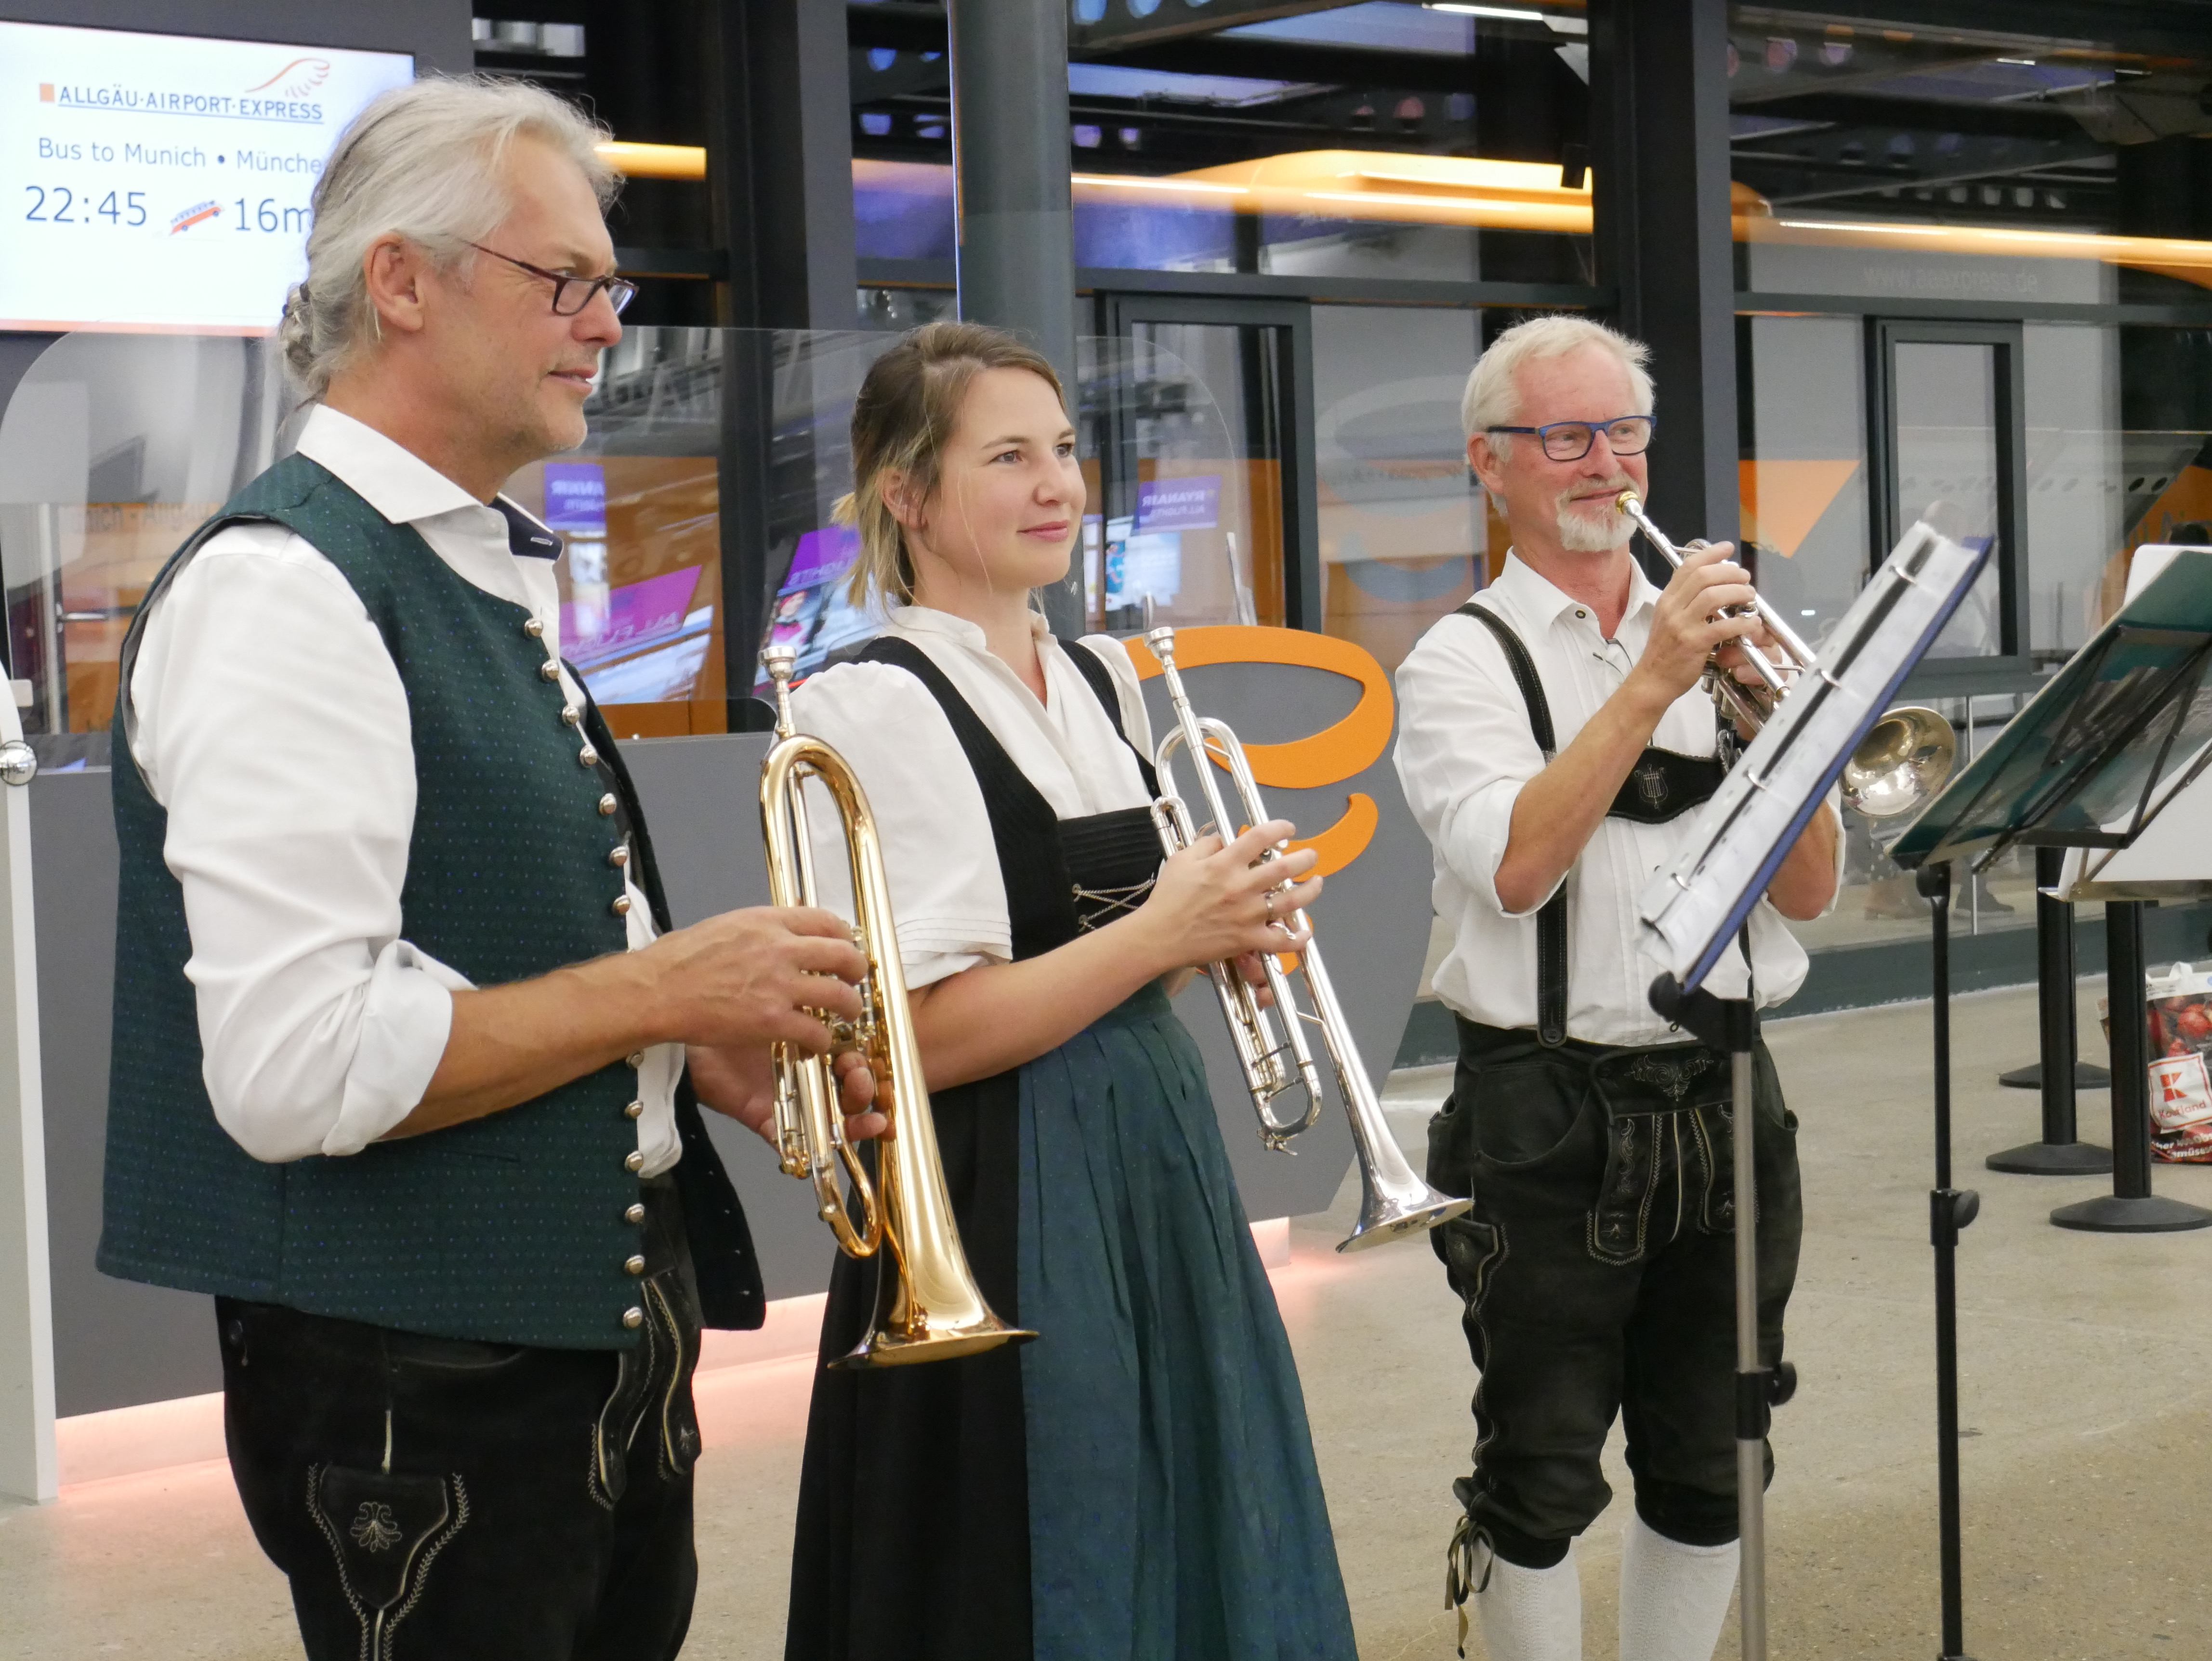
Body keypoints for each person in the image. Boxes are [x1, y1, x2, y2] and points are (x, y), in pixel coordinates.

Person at [96, 76, 879, 1661]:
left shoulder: (444, 563)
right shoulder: (287, 590)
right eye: (563, 278)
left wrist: (680, 1049)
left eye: (610, 285)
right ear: (401, 282)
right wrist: (658, 989)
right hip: (428, 1380)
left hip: (570, 1339)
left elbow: (484, 938)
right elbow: (298, 1069)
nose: (605, 325)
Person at [781, 321, 1359, 1661]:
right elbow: (921, 1039)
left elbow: (1122, 949)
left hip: (1149, 1139)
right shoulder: (867, 703)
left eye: (1063, 449)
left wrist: (1226, 930)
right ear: (907, 495)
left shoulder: (1098, 676)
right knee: (1057, 1539)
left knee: (1188, 1505)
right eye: (1008, 458)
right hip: (1004, 1176)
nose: (1059, 486)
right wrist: (1164, 932)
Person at [1392, 315, 1842, 1661]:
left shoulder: (1719, 640)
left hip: (1729, 1089)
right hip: (1548, 1109)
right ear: (1491, 464)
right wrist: (1654, 679)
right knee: (1539, 1472)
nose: (1608, 464)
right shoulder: (1460, 659)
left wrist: (1778, 723)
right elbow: (1517, 866)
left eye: (1627, 432)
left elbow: (1812, 890)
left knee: (1715, 1460)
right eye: (1567, 436)